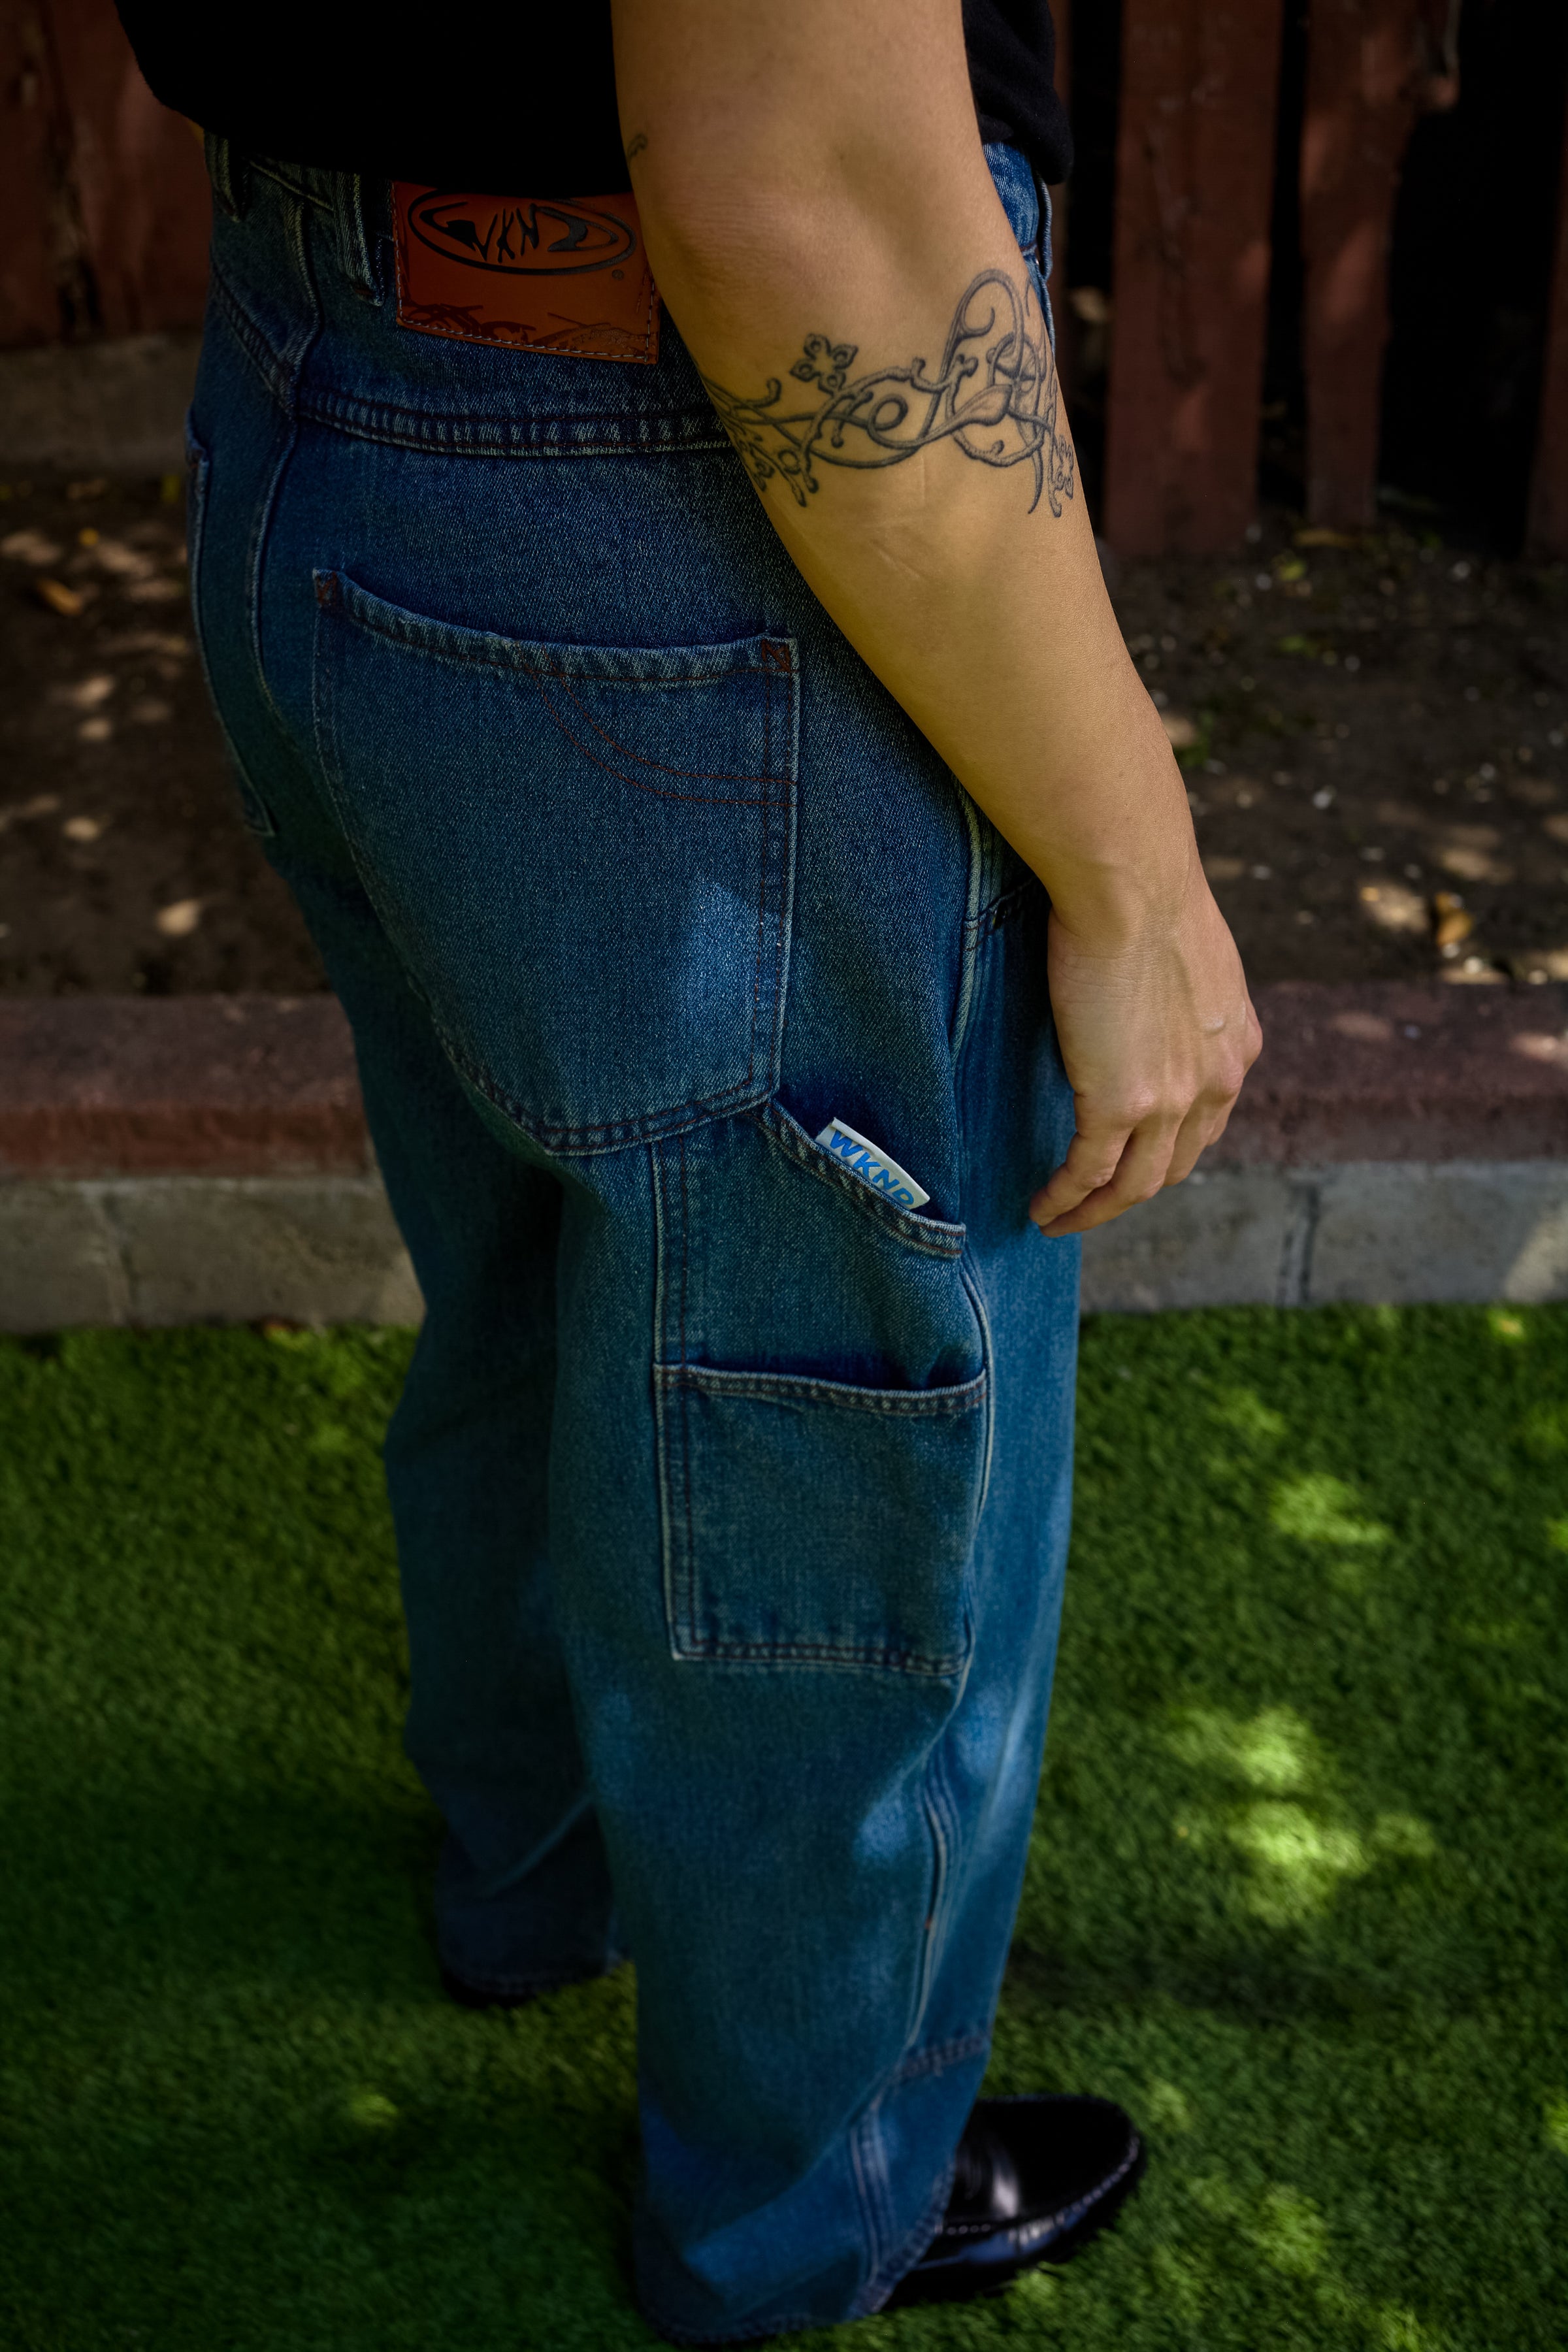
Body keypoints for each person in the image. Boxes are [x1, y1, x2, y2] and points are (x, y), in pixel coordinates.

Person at [114, 0, 1260, 2336]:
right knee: (824, 1419)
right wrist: (1138, 871)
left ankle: (528, 1881)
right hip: (678, 490)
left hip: (314, 388)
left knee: (539, 1250)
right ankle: (809, 2208)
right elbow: (795, 186)